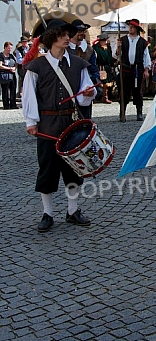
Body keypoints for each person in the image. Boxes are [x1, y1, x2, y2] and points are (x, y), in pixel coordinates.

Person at [22, 19, 95, 233]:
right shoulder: (36, 67)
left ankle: (73, 210)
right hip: (47, 125)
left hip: (71, 123)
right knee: (47, 169)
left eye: (68, 34)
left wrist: (89, 94)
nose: (67, 37)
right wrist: (31, 121)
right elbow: (28, 96)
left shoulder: (78, 64)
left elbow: (85, 92)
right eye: (63, 34)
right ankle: (48, 213)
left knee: (73, 169)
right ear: (52, 37)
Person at [117, 18, 151, 121]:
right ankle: (122, 112)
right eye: (129, 27)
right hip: (125, 69)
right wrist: (118, 47)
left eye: (132, 27)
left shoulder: (143, 42)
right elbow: (117, 55)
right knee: (124, 92)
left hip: (137, 70)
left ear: (136, 29)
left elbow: (146, 57)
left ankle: (139, 111)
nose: (130, 28)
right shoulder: (122, 40)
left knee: (138, 92)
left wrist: (146, 70)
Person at [68, 20, 101, 119]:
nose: (81, 33)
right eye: (79, 30)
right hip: (69, 87)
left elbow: (93, 68)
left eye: (83, 31)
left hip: (85, 86)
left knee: (85, 117)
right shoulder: (65, 49)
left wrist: (95, 83)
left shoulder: (89, 49)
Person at [93, 34, 114, 104]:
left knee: (107, 83)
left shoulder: (108, 47)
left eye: (105, 40)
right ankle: (100, 96)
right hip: (100, 67)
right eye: (103, 40)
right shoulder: (96, 48)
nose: (104, 42)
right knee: (100, 82)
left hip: (107, 67)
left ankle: (105, 97)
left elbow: (110, 57)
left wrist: (112, 65)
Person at [0, 42, 18, 109]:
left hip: (12, 75)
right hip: (4, 75)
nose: (9, 50)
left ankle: (13, 104)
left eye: (10, 48)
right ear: (5, 47)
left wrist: (14, 68)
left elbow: (16, 63)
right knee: (5, 91)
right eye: (8, 48)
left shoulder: (11, 56)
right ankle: (6, 105)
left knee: (13, 89)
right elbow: (0, 65)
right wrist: (9, 68)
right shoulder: (1, 55)